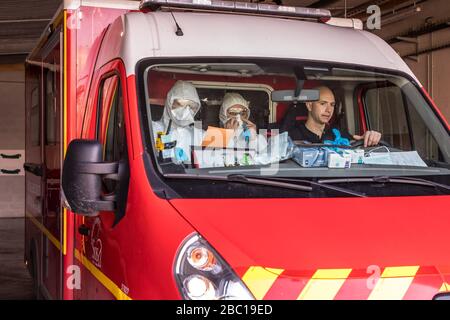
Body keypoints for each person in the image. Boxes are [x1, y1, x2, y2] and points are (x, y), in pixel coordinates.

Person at [287, 86, 382, 147]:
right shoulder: (291, 137)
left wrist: (370, 137)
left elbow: (359, 142)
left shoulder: (338, 134)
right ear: (309, 105)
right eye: (323, 103)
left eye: (332, 105)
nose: (329, 110)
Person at [152, 80, 202, 164]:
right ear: (169, 103)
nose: (186, 110)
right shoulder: (152, 130)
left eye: (191, 106)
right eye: (180, 104)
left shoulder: (198, 135)